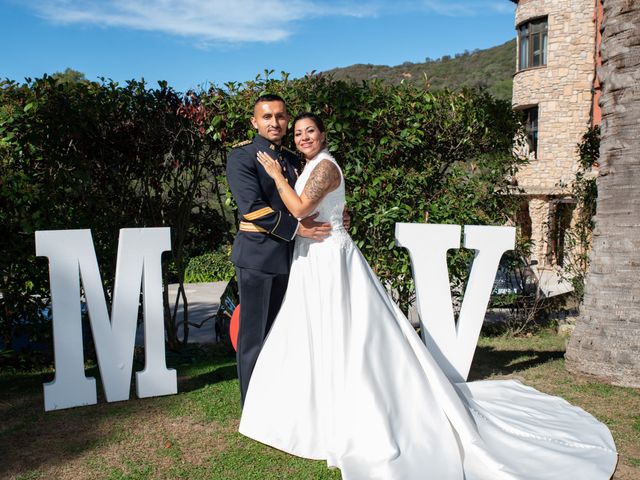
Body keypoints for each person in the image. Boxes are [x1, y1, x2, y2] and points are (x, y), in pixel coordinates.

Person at [238, 112, 618, 480]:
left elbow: (302, 207)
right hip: (312, 256)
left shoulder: (322, 166)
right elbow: (314, 209)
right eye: (299, 132)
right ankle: (312, 406)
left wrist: (278, 178)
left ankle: (352, 408)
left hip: (329, 258)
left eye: (310, 131)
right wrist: (329, 214)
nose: (303, 136)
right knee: (315, 330)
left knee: (344, 331)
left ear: (323, 135)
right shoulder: (303, 163)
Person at [226, 95, 333, 405]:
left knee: (281, 332)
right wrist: (298, 229)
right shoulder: (242, 157)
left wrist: (335, 215)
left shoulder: (291, 158)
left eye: (281, 116)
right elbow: (253, 209)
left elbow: (307, 199)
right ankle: (253, 405)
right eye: (267, 116)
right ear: (254, 122)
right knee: (253, 337)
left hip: (291, 257)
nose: (275, 122)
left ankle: (277, 398)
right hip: (258, 256)